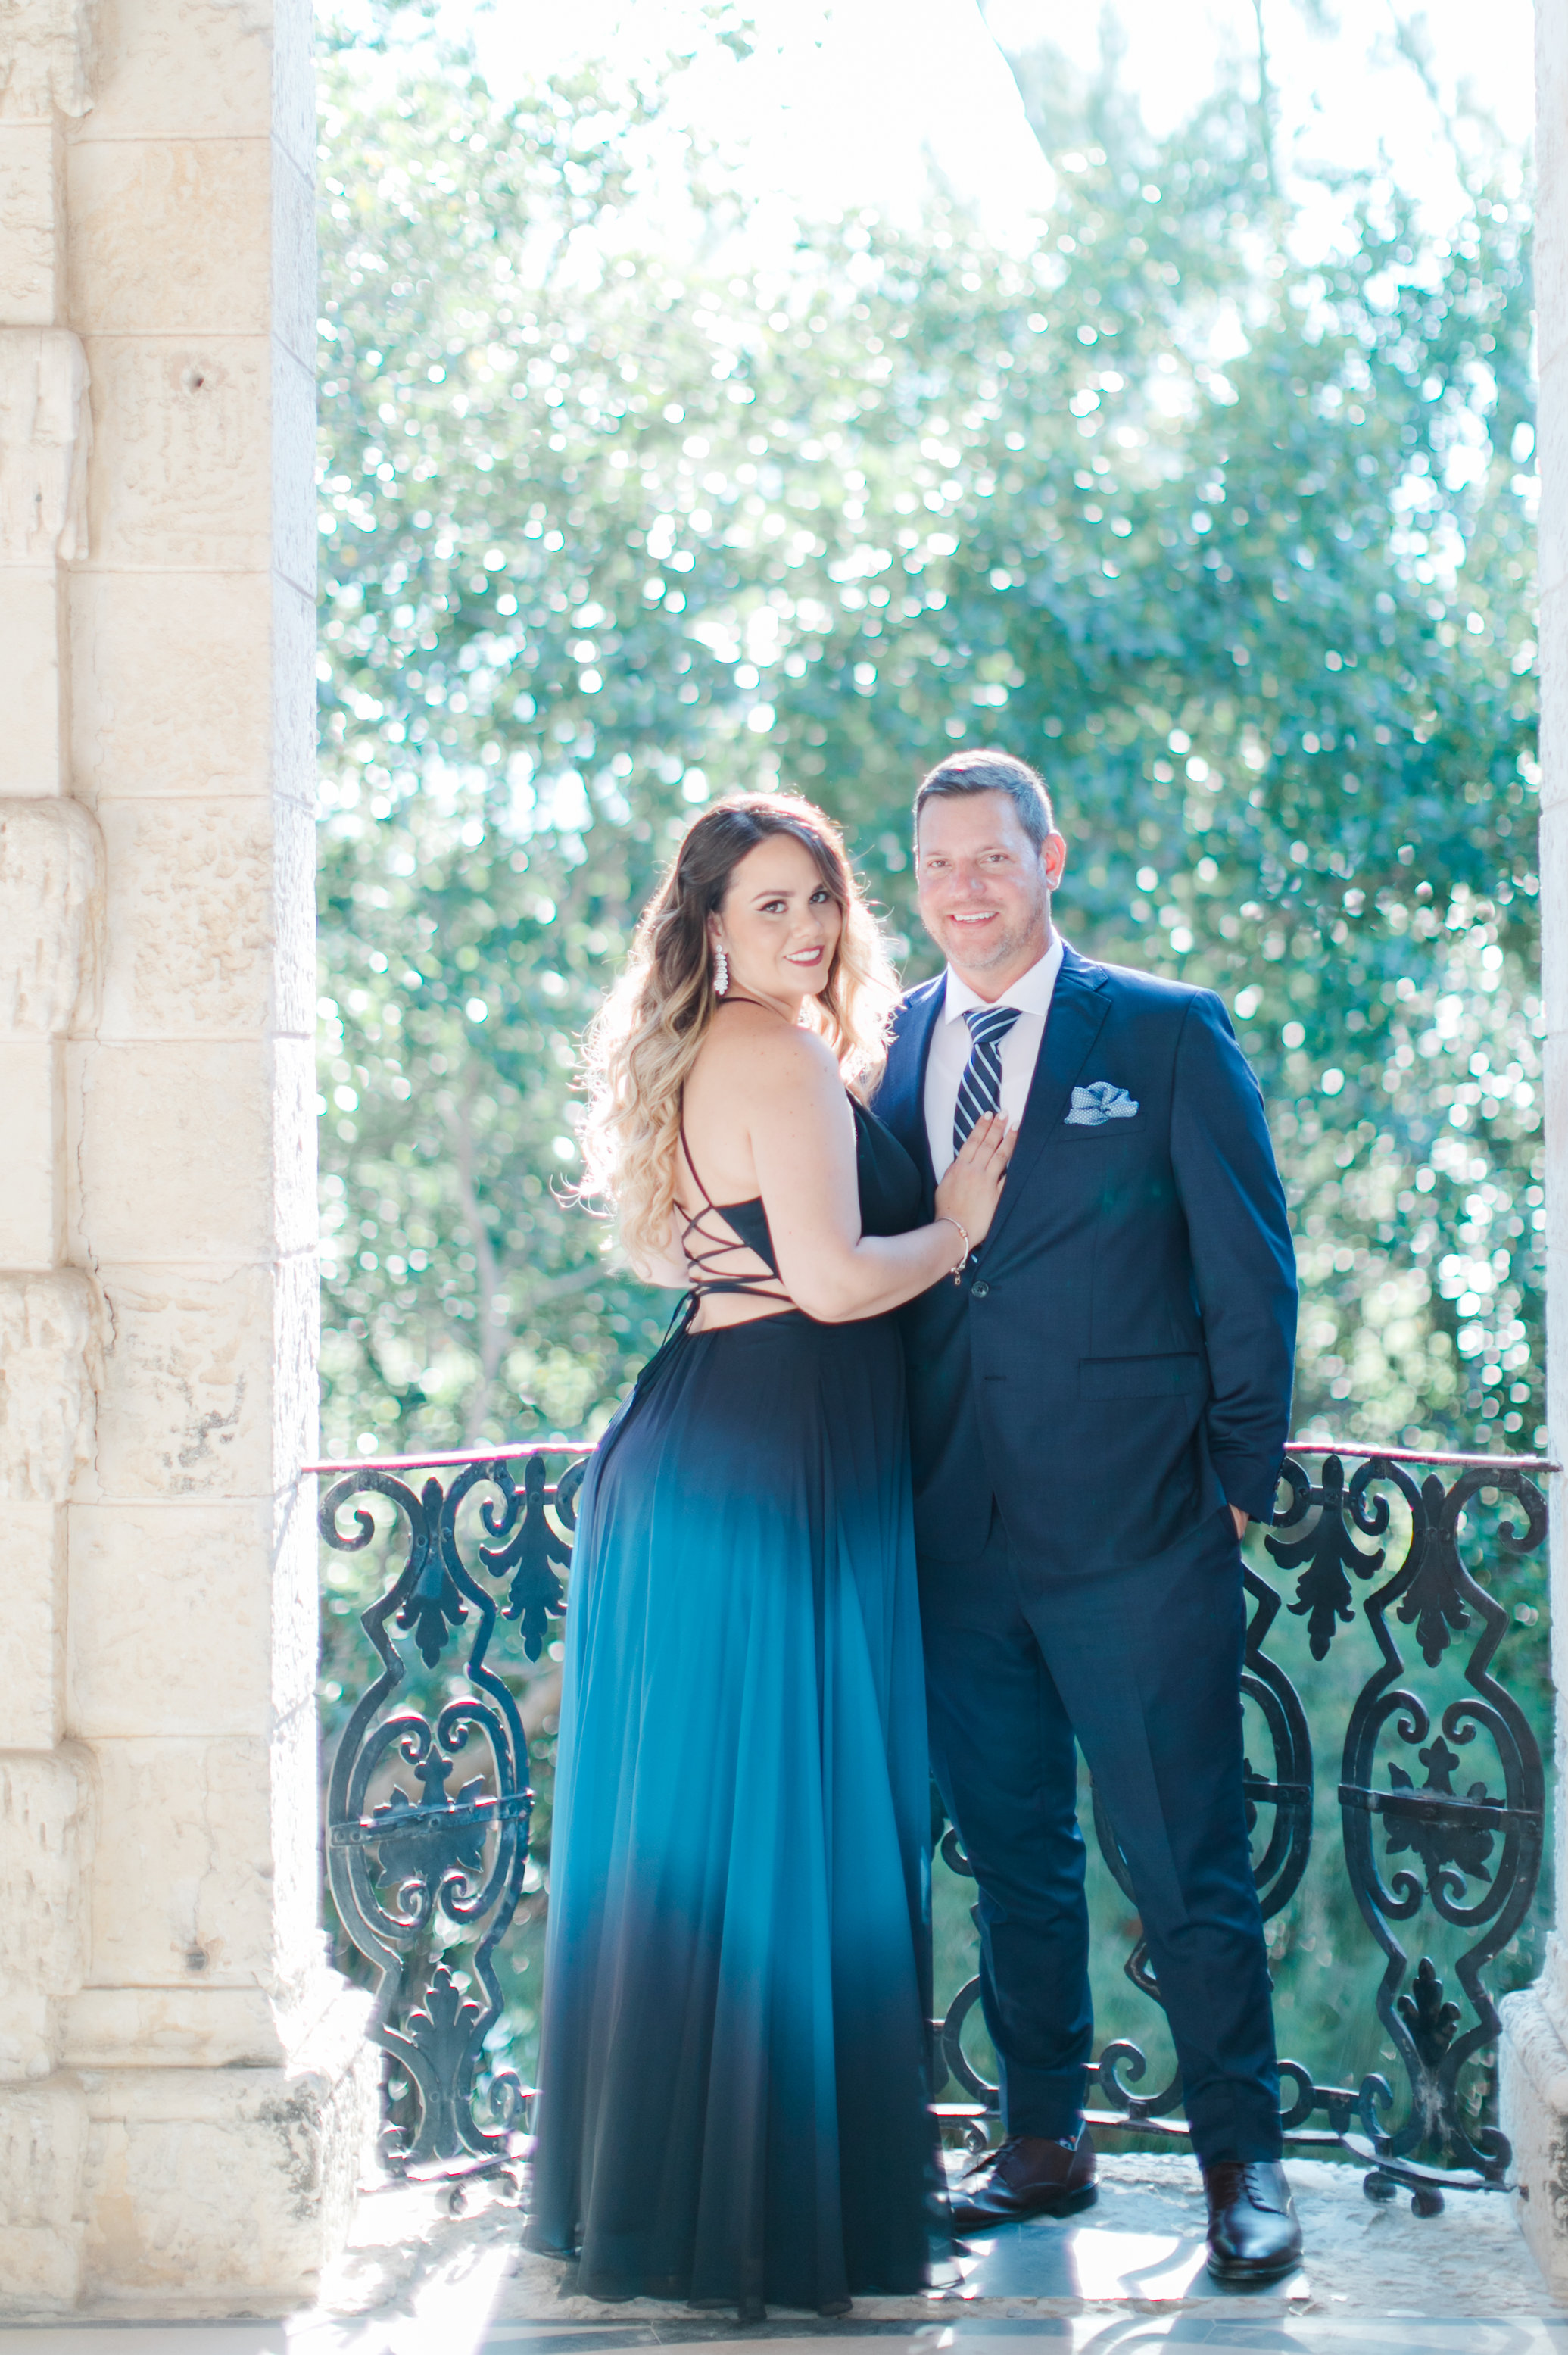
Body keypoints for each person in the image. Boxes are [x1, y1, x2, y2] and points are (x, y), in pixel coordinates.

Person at [526, 791, 1014, 2316]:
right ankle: (764, 2222)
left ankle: (674, 2215)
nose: (805, 928)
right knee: (779, 1830)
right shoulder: (776, 1052)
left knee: (704, 1844)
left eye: (819, 898)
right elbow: (829, 1279)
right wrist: (953, 1222)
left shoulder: (709, 1053)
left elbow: (711, 1249)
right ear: (712, 930)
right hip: (766, 1466)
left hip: (703, 1449)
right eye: (769, 906)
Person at [872, 749, 1302, 2285]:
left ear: (1050, 858)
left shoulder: (1166, 1035)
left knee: (1183, 1856)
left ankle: (1238, 2168)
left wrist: (1236, 1488)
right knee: (1012, 1857)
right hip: (950, 1534)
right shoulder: (884, 1042)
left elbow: (1249, 1274)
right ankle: (1042, 2142)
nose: (965, 888)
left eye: (993, 858)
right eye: (938, 865)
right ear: (911, 882)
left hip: (1137, 1533)